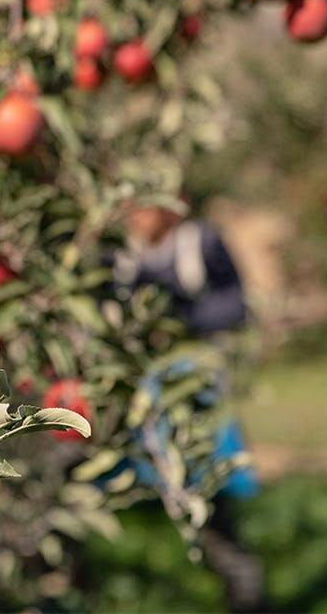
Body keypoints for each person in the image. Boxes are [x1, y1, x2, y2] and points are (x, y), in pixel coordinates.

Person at [112, 197, 265, 613]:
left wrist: (182, 319)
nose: (137, 218)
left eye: (145, 209)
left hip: (194, 387)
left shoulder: (201, 243)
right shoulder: (122, 254)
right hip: (142, 392)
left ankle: (246, 594)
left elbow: (236, 304)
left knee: (206, 489)